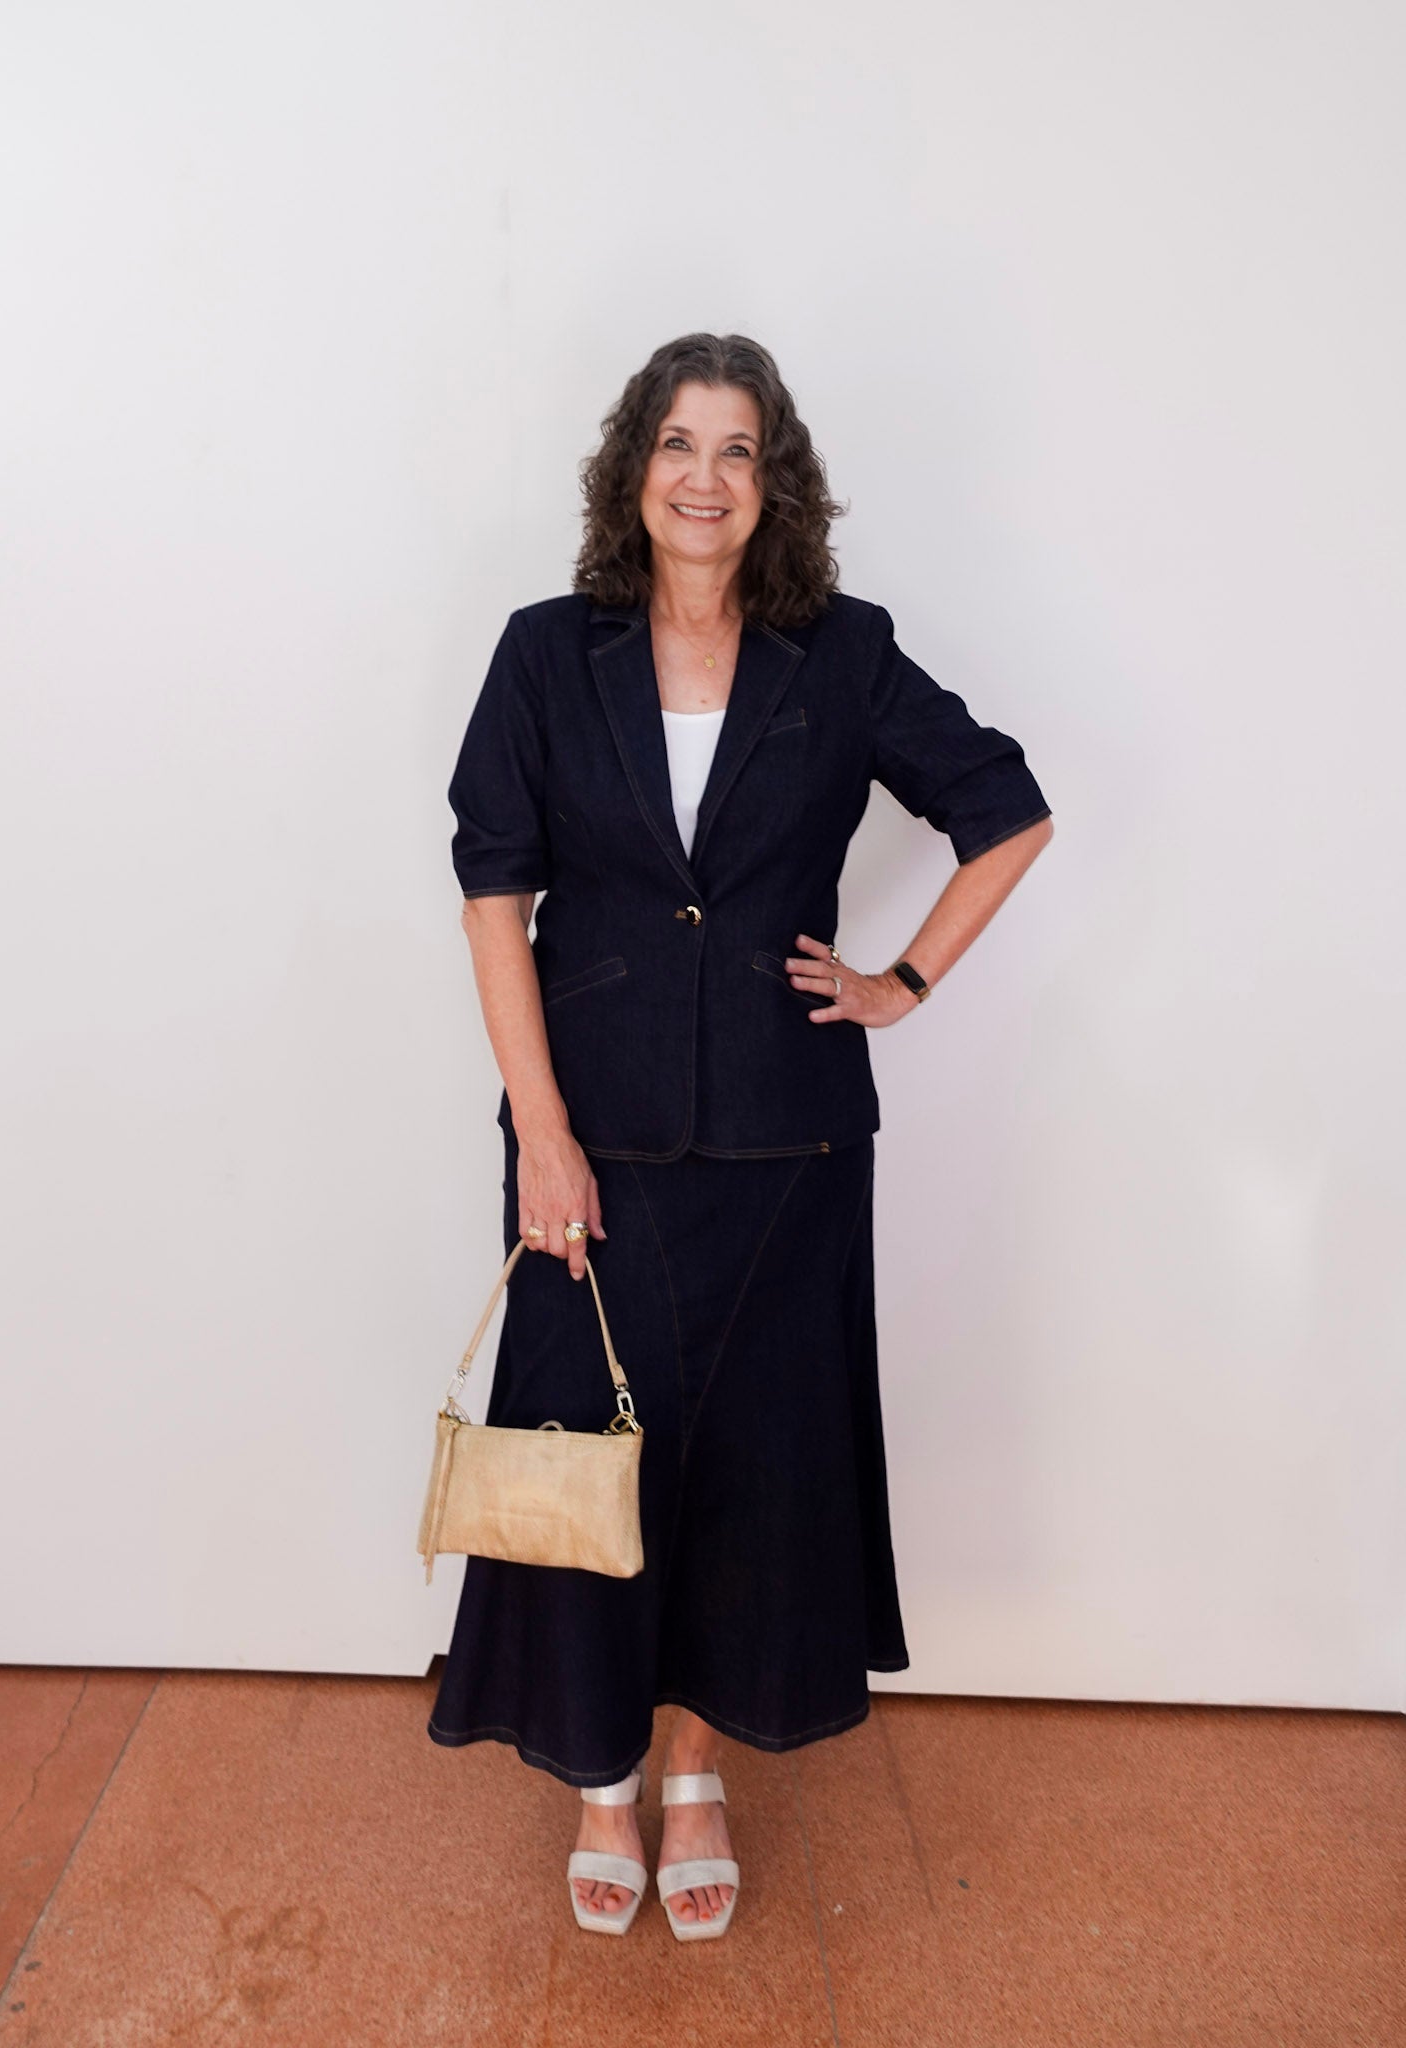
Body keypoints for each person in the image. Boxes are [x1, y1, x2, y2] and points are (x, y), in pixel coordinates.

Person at [427, 332, 1053, 1941]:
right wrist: (540, 1138)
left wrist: (900, 980)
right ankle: (600, 1777)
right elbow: (496, 898)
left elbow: (1008, 808)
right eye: (678, 444)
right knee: (590, 1467)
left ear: (774, 485)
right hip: (600, 1142)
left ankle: (694, 1765)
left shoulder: (836, 652)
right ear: (632, 467)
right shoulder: (543, 654)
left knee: (751, 1475)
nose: (704, 479)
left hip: (788, 1149)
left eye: (738, 451)